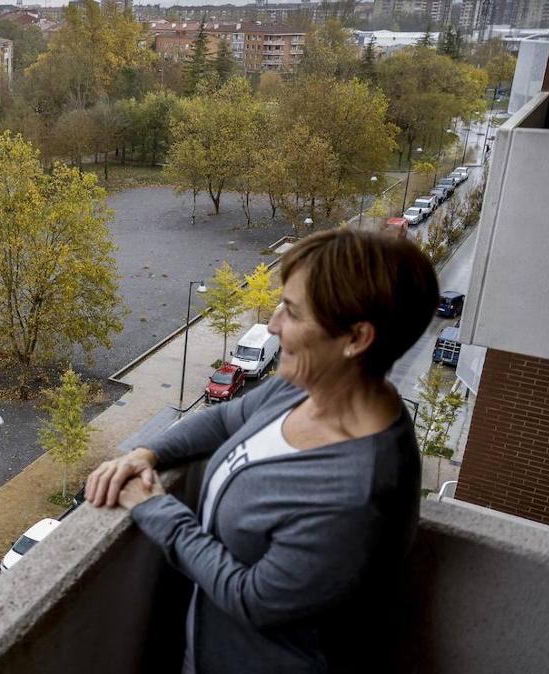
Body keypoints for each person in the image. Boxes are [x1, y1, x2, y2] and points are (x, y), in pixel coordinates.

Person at [86, 229, 439, 673]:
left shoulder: (357, 494)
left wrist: (155, 507)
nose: (272, 325)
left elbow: (250, 597)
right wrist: (146, 454)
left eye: (291, 311)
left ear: (356, 338)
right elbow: (225, 418)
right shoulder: (305, 389)